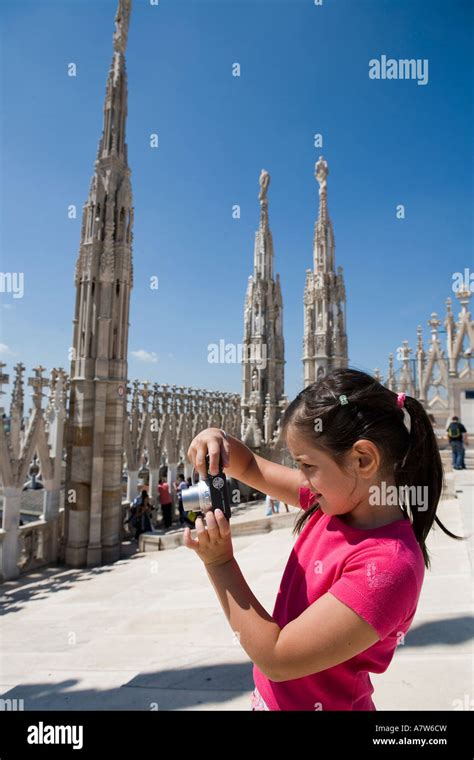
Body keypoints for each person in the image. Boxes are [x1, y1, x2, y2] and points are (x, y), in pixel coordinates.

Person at [183, 368, 464, 711]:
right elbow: (250, 467)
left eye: (306, 465)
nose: (302, 480)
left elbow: (277, 658)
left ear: (363, 459)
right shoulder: (332, 500)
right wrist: (216, 438)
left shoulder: (389, 566)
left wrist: (220, 562)